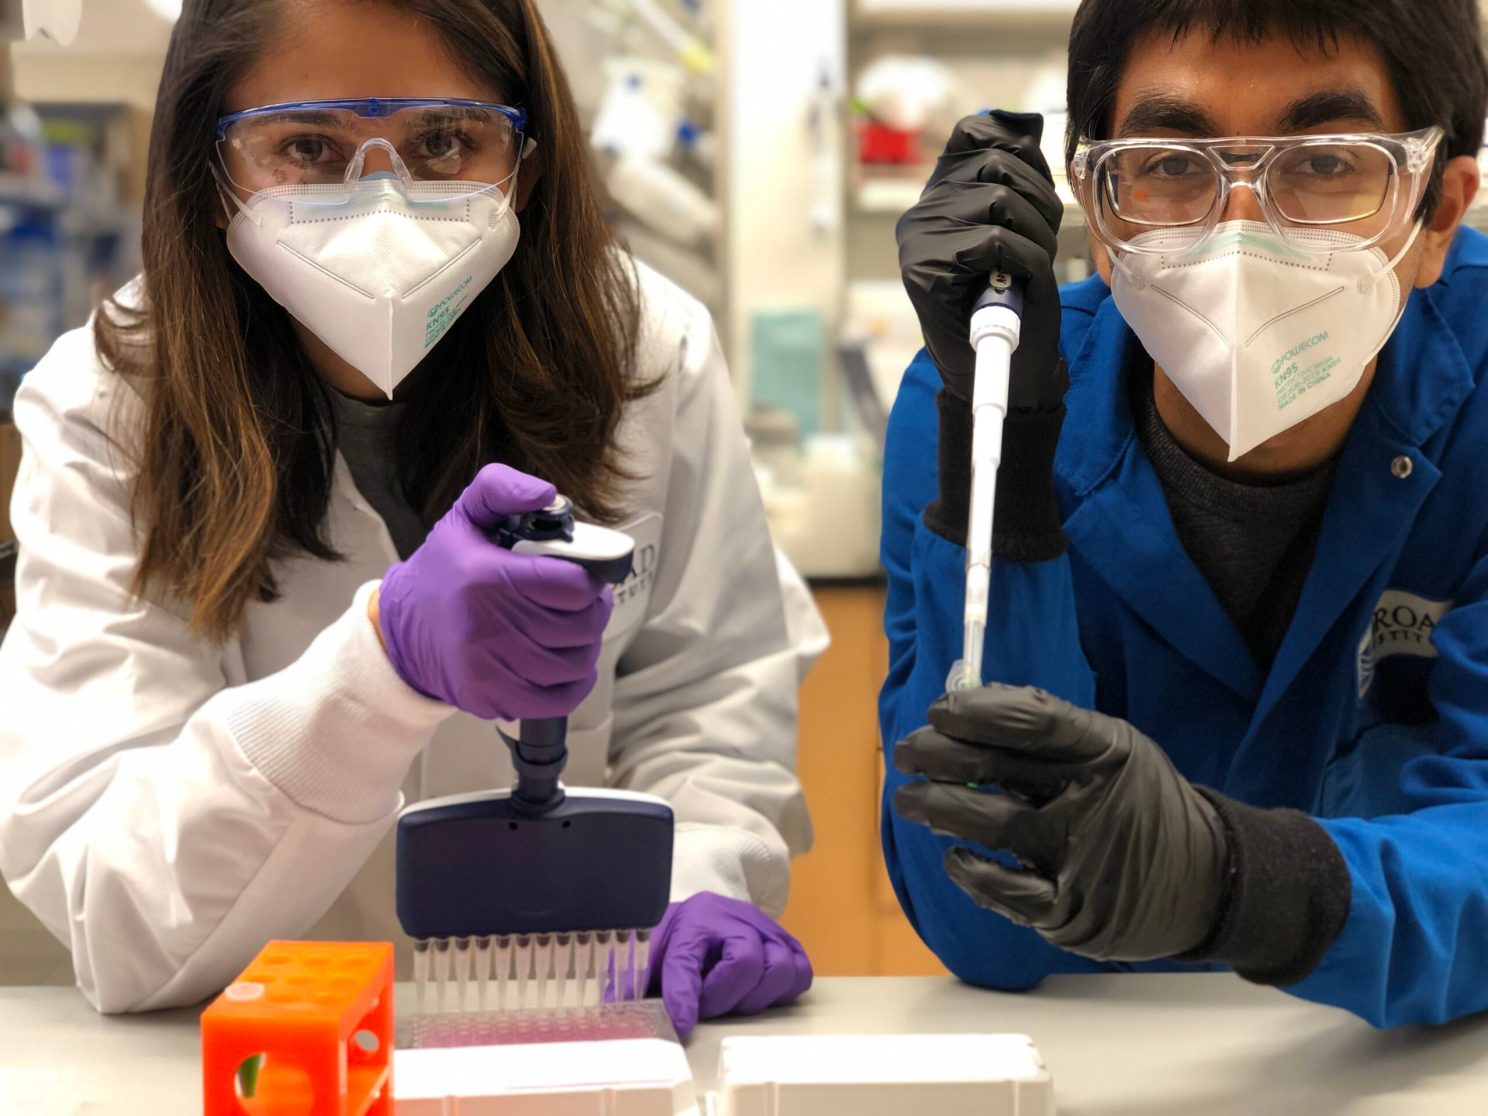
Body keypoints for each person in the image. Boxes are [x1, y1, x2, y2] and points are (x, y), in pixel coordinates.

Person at [0, 0, 823, 1034]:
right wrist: (377, 674)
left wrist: (707, 876)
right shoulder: (112, 399)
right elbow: (117, 911)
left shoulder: (644, 355)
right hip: (265, 1059)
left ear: (525, 155)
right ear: (209, 176)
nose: (385, 206)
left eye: (444, 141)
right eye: (308, 145)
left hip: (577, 1039)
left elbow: (708, 696)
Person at [882, 0, 1488, 1028]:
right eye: (1171, 164)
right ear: (1098, 209)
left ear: (1440, 212)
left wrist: (1241, 883)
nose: (1240, 232)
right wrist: (1011, 456)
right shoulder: (988, 404)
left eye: (1328, 162)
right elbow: (980, 921)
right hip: (1103, 1068)